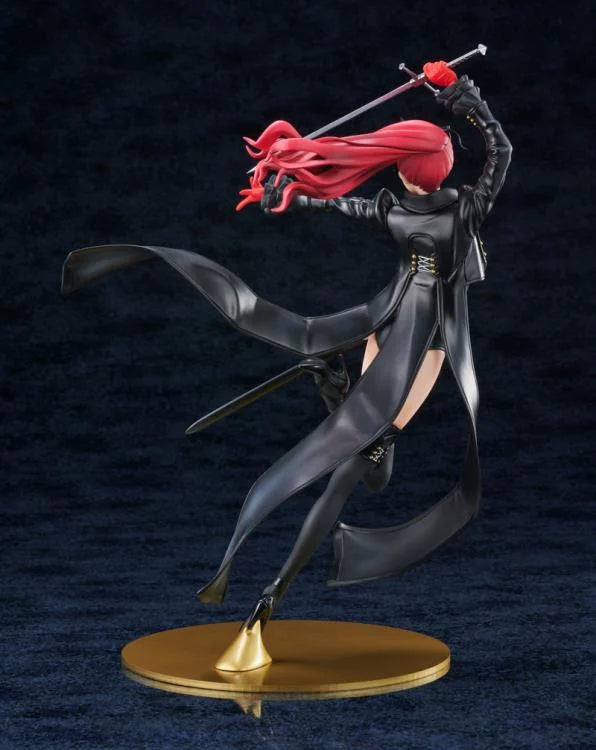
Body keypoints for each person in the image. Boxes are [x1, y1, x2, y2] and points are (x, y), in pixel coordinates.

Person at [61, 68, 511, 668]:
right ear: (441, 169)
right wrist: (464, 98)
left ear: (404, 170)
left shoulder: (399, 209)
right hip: (413, 339)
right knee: (356, 468)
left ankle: (332, 385)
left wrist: (299, 194)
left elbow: (351, 205)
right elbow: (499, 150)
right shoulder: (463, 210)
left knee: (367, 464)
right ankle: (267, 601)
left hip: (399, 332)